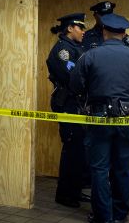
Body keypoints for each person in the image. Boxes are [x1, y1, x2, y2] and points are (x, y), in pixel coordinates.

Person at [70, 13, 129, 223]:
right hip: (127, 119)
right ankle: (120, 215)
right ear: (124, 33)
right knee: (123, 168)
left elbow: (76, 86)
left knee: (99, 169)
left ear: (104, 32)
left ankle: (103, 216)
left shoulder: (90, 55)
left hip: (99, 119)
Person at [46, 13, 90, 208]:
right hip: (69, 104)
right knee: (72, 150)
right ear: (70, 28)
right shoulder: (62, 50)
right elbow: (74, 78)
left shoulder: (76, 48)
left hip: (79, 105)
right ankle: (65, 194)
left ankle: (75, 190)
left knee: (79, 151)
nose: (83, 31)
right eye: (81, 27)